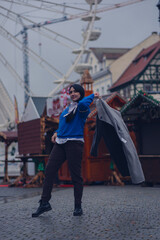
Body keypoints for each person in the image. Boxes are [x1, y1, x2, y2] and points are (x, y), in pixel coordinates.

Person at [32, 84, 99, 217]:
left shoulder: (82, 108)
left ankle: (78, 206)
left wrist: (92, 96)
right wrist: (57, 132)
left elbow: (83, 103)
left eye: (75, 92)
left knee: (76, 176)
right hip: (60, 143)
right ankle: (44, 203)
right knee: (49, 170)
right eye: (71, 92)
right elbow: (64, 123)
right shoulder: (68, 108)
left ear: (81, 93)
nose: (72, 94)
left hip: (74, 143)